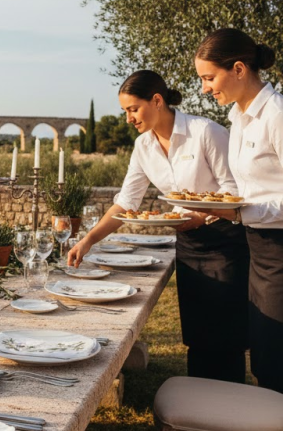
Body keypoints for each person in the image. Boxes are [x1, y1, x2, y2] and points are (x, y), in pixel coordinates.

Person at [67, 70, 250, 384]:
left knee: (225, 339)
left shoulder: (206, 132)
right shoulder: (143, 146)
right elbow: (126, 203)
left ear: (157, 100)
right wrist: (88, 241)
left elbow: (234, 193)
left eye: (133, 109)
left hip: (226, 241)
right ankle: (200, 405)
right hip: (189, 244)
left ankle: (230, 405)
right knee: (197, 335)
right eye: (124, 111)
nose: (128, 118)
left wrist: (202, 216)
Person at [192, 28, 283, 393]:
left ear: (240, 69)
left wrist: (243, 213)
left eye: (209, 78)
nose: (204, 89)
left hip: (280, 251)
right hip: (256, 249)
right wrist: (220, 206)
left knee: (276, 362)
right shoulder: (238, 117)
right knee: (263, 356)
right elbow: (247, 187)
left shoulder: (277, 115)